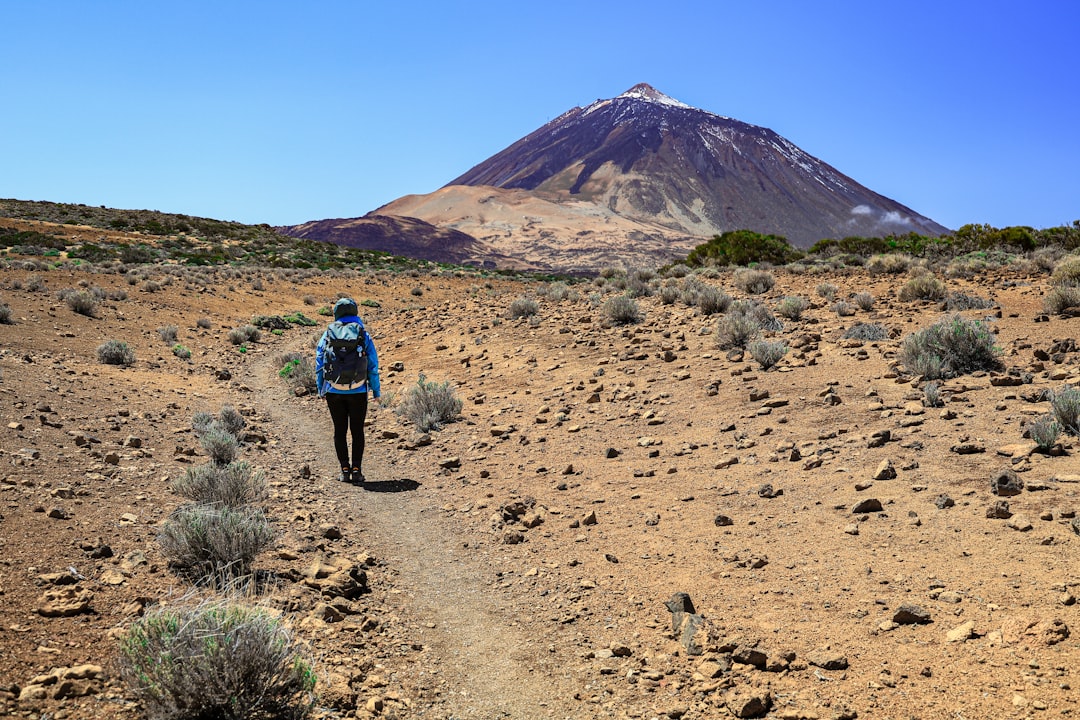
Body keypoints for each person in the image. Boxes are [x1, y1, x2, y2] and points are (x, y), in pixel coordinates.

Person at [315, 297, 380, 484]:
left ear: (336, 312)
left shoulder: (328, 334)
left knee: (340, 430)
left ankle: (344, 470)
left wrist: (321, 388)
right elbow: (372, 365)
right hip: (358, 390)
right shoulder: (363, 334)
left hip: (334, 390)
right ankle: (357, 471)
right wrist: (376, 391)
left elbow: (320, 363)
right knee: (357, 430)